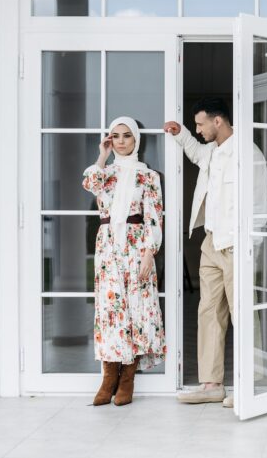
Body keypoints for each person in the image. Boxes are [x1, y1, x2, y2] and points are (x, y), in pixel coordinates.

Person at [165, 98, 267, 406]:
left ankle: (247, 385)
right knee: (208, 312)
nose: (198, 130)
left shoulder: (248, 154)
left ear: (218, 122)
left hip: (237, 243)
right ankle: (212, 384)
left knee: (242, 312)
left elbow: (260, 204)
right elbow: (196, 152)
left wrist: (250, 245)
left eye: (200, 125)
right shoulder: (211, 150)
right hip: (211, 242)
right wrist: (179, 132)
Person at [82, 116, 166, 406]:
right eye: (115, 136)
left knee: (135, 310)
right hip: (108, 248)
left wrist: (148, 253)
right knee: (110, 310)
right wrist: (102, 155)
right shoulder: (105, 173)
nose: (120, 141)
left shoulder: (148, 176)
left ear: (136, 140)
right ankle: (108, 377)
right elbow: (90, 183)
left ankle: (128, 376)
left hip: (136, 247)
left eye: (126, 136)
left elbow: (155, 217)